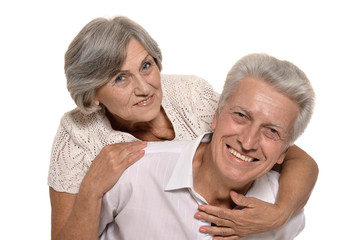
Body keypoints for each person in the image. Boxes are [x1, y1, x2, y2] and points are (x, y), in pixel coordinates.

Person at [48, 16, 318, 240]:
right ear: (92, 94)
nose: (144, 88)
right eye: (120, 78)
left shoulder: (192, 95)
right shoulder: (79, 137)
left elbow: (284, 151)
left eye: (146, 65)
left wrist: (281, 213)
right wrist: (92, 189)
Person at [99, 53, 315, 239]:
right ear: (216, 116)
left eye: (272, 131)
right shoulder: (133, 172)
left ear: (284, 153)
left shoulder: (285, 211)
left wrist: (281, 214)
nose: (248, 142)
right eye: (240, 116)